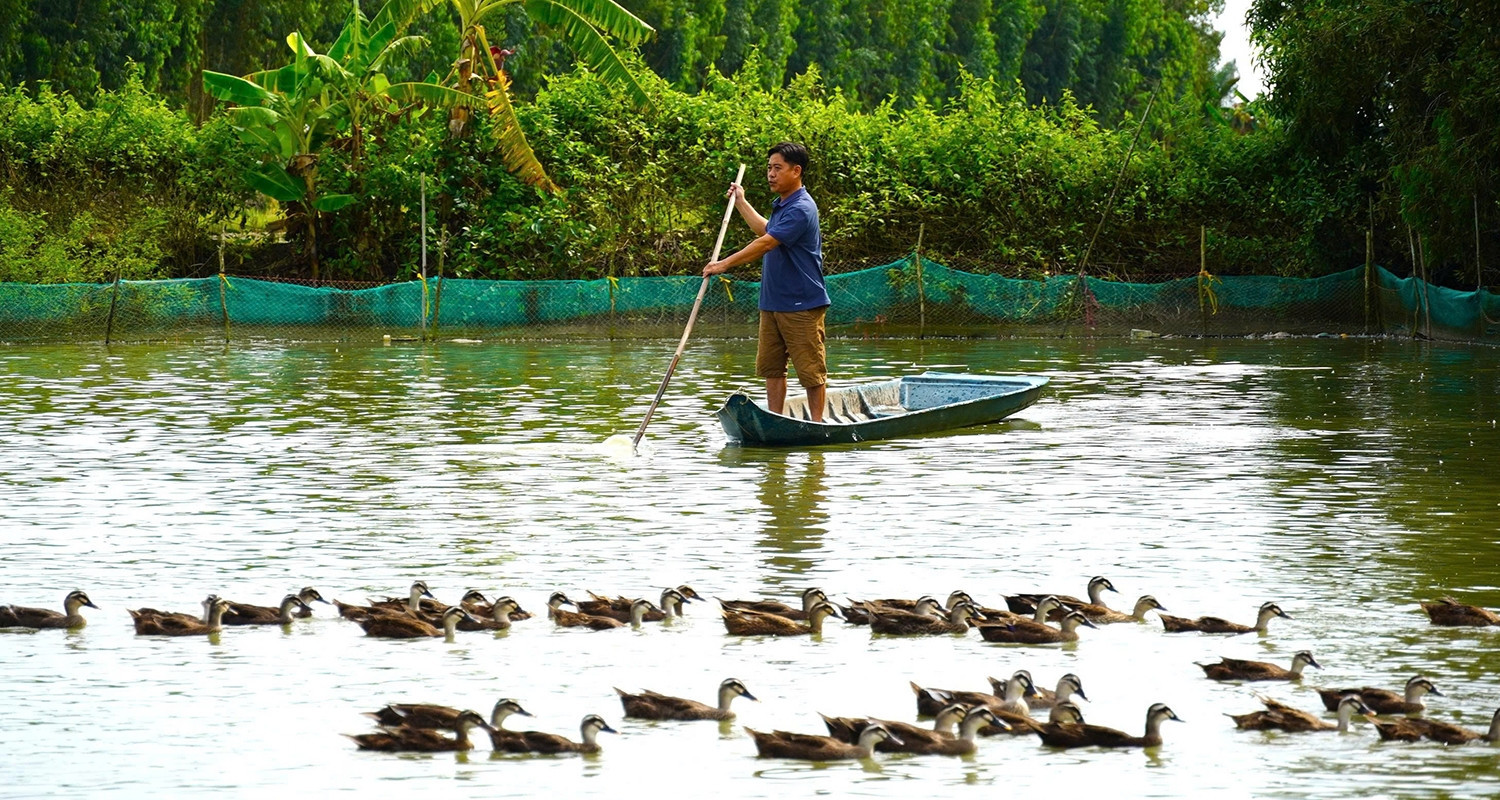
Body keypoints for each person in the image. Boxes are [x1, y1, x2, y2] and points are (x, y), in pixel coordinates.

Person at [704, 142, 830, 421]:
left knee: (811, 371)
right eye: (769, 168)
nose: (771, 174)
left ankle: (818, 425)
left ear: (796, 171)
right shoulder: (782, 205)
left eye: (778, 168)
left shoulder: (802, 208)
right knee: (772, 368)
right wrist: (741, 201)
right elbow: (766, 229)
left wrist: (723, 264)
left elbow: (766, 242)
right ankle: (776, 419)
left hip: (801, 302)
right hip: (772, 302)